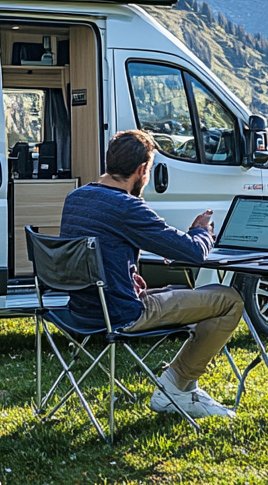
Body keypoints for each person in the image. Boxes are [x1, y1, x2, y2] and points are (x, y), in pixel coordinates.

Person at [59, 128, 243, 419]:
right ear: (142, 169)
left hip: (82, 310)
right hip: (123, 313)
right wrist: (201, 231)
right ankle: (177, 386)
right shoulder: (127, 206)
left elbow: (93, 251)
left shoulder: (77, 198)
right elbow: (193, 253)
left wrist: (124, 272)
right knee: (229, 299)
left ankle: (184, 385)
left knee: (186, 295)